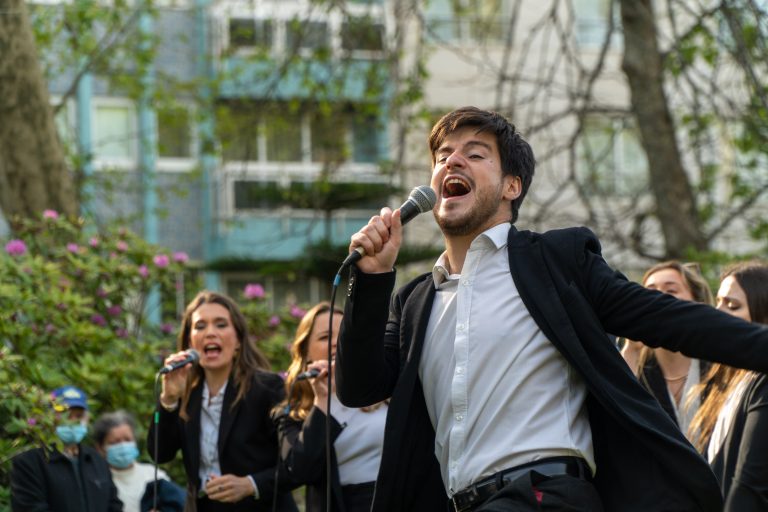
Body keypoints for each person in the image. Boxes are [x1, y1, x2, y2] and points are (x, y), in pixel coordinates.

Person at [335, 106, 768, 512]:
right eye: (443, 155)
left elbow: (670, 319)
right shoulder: (414, 301)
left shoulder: (556, 262)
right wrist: (371, 280)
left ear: (512, 185)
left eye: (475, 153)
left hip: (546, 494)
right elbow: (359, 387)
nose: (452, 162)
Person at [147, 291, 298, 512]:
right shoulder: (186, 393)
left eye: (220, 325)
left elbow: (296, 463)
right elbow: (161, 454)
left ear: (238, 340)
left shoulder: (267, 388)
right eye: (200, 326)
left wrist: (251, 484)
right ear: (190, 342)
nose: (210, 333)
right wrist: (169, 399)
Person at [273, 303, 387, 512]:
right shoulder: (294, 414)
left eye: (344, 333)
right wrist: (325, 401)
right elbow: (298, 472)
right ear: (305, 351)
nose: (337, 343)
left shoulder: (384, 391)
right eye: (325, 337)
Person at [688, 261, 768, 511]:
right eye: (718, 302)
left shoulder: (762, 380)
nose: (717, 312)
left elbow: (749, 486)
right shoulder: (727, 383)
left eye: (732, 306)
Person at [620, 261, 714, 435]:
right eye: (650, 292)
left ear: (697, 302)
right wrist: (631, 350)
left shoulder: (717, 363)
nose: (658, 299)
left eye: (671, 291)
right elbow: (617, 414)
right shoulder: (634, 363)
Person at [10, 385, 123, 511]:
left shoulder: (96, 460)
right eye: (66, 415)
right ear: (48, 417)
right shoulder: (30, 462)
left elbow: (114, 505)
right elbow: (31, 508)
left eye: (79, 416)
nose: (73, 421)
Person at [94, 410, 184, 512]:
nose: (123, 446)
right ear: (100, 448)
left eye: (127, 440)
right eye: (115, 442)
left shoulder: (154, 475)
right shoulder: (96, 481)